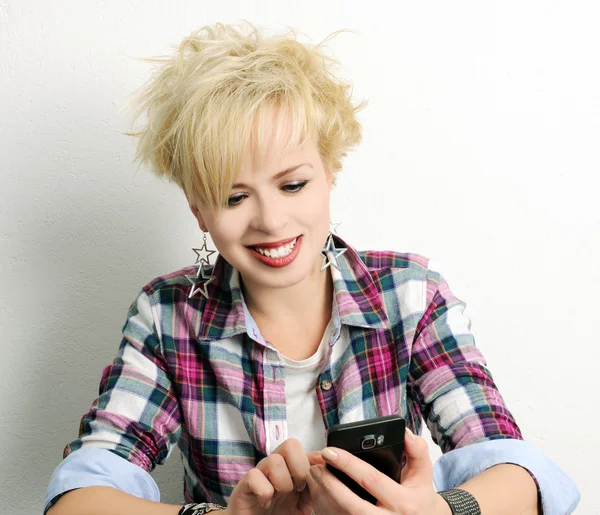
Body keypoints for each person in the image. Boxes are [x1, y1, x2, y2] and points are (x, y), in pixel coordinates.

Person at [44, 22, 580, 515]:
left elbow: (517, 470)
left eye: (293, 184)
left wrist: (440, 511)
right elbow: (79, 497)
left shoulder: (410, 295)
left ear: (330, 172)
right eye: (234, 197)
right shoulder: (167, 316)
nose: (271, 220)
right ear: (198, 210)